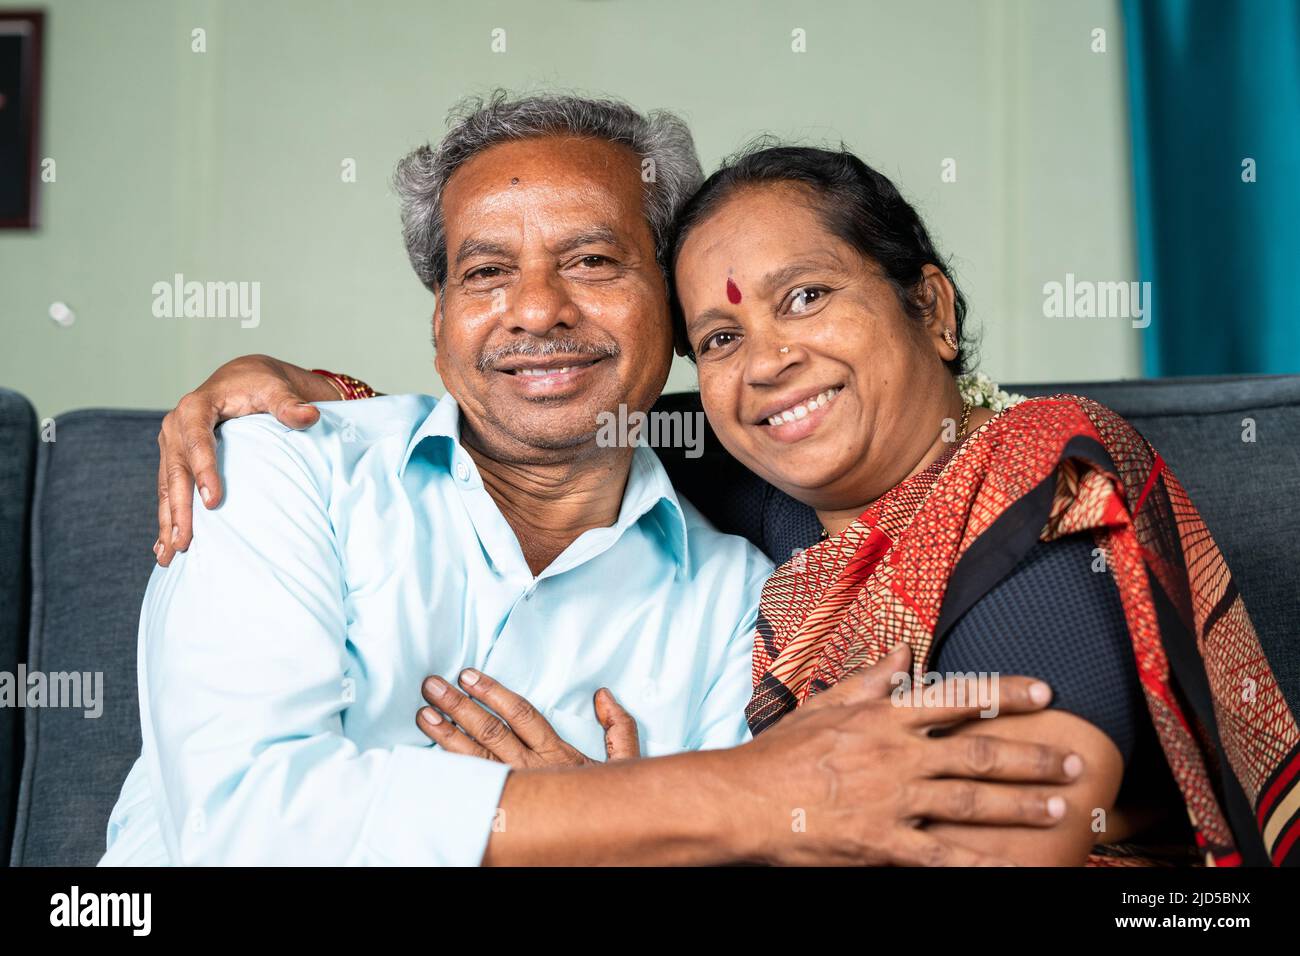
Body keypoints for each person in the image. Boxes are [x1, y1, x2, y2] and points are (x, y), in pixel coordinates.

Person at [103, 93, 1081, 867]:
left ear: (676, 303)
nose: (535, 309)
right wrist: (695, 801)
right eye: (484, 273)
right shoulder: (272, 468)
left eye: (592, 258)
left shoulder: (740, 599)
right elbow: (245, 831)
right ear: (438, 323)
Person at [664, 144, 1300, 866]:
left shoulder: (1034, 465)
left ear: (930, 308)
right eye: (720, 338)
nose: (766, 361)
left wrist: (638, 817)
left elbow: (1005, 841)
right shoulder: (735, 491)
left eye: (807, 296)